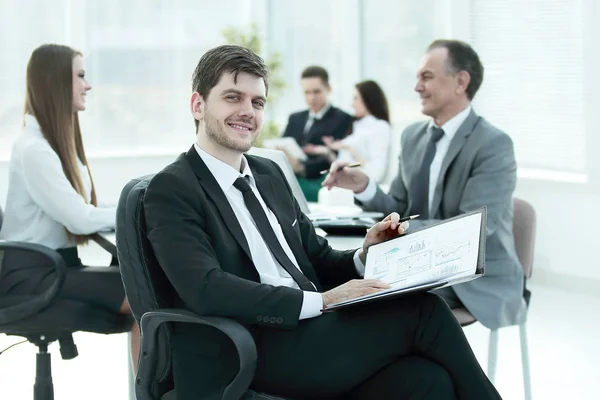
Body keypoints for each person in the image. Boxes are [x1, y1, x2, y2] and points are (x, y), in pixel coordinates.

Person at [143, 44, 501, 399]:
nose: (247, 111)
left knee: (427, 381)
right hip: (249, 347)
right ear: (198, 105)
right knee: (426, 313)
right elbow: (206, 288)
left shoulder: (268, 174)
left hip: (309, 334)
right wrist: (323, 302)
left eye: (257, 102)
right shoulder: (173, 188)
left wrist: (364, 255)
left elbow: (316, 257)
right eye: (233, 97)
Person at [323, 39, 527, 330]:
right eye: (417, 78)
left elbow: (470, 229)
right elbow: (398, 207)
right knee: (347, 288)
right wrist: (364, 187)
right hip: (421, 262)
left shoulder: (493, 145)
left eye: (426, 77)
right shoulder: (412, 137)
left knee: (385, 305)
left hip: (475, 277)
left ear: (461, 81)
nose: (417, 87)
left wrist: (402, 232)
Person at [0, 44, 140, 370]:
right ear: (56, 81)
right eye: (80, 75)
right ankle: (152, 391)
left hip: (54, 266)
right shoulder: (34, 149)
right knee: (147, 294)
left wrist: (131, 204)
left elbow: (82, 207)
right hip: (33, 275)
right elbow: (79, 219)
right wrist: (133, 212)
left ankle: (150, 388)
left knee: (148, 289)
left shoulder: (51, 144)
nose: (87, 85)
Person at [281, 66, 353, 201]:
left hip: (319, 182)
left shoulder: (342, 118)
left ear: (329, 89)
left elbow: (336, 156)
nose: (311, 98)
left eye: (316, 92)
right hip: (290, 177)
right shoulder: (295, 118)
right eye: (306, 92)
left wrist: (302, 168)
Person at [304, 80, 392, 183]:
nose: (352, 104)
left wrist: (349, 148)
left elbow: (375, 172)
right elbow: (343, 164)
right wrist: (326, 151)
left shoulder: (380, 126)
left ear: (368, 99)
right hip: (343, 182)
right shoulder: (357, 126)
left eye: (355, 98)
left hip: (357, 187)